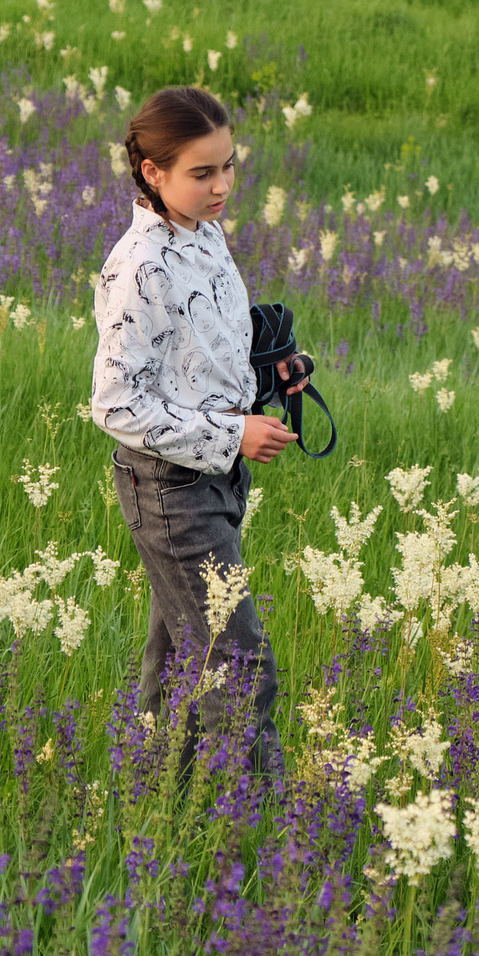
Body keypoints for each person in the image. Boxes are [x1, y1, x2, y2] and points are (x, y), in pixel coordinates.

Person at [91, 86, 303, 777]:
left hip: (213, 482)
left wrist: (272, 373)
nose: (221, 187)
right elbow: (117, 405)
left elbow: (197, 357)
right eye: (202, 172)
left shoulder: (203, 234)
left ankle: (150, 812)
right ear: (153, 172)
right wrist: (233, 435)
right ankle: (268, 843)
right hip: (170, 490)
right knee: (241, 670)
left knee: (180, 663)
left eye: (228, 166)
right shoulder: (138, 265)